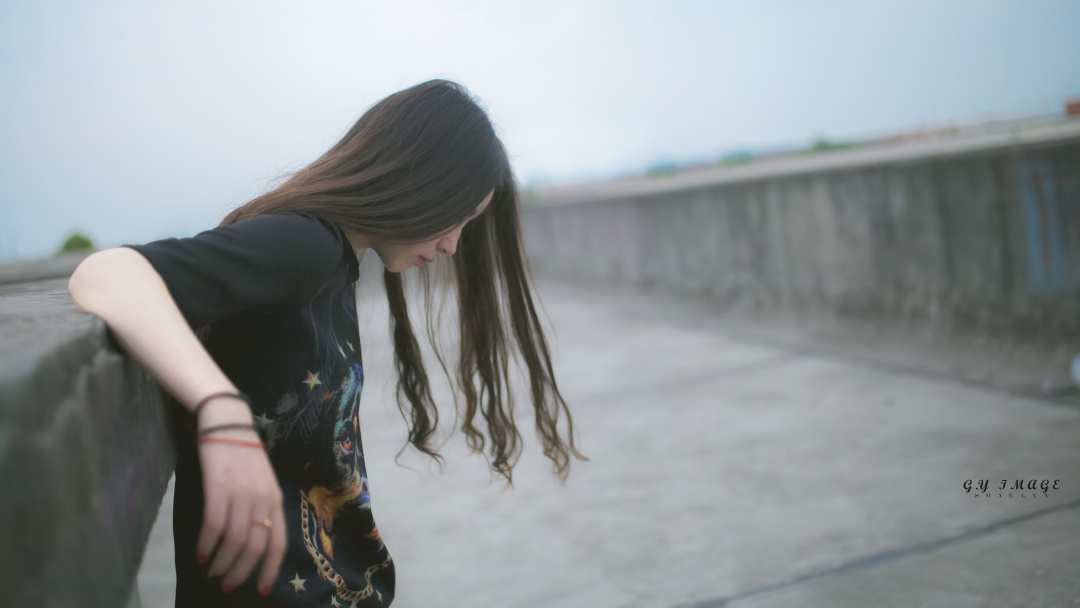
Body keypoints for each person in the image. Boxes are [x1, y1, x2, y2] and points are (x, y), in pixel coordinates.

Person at [67, 79, 585, 607]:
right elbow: (106, 275)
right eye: (457, 217)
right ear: (422, 181)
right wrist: (220, 410)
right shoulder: (307, 244)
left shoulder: (333, 262)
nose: (453, 244)